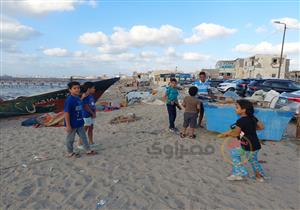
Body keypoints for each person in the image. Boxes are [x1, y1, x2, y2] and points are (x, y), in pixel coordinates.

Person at [219, 99, 266, 182]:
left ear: (244, 110)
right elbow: (261, 127)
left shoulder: (240, 121)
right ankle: (259, 177)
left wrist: (226, 134)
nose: (235, 109)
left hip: (247, 145)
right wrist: (250, 129)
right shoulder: (253, 118)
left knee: (234, 154)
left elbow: (236, 133)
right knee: (253, 160)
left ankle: (239, 173)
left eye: (237, 107)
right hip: (255, 144)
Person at [64, 81, 96, 157]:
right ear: (70, 90)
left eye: (78, 88)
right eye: (74, 88)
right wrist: (68, 125)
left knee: (83, 137)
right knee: (70, 139)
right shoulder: (69, 100)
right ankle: (70, 152)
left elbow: (83, 105)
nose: (77, 90)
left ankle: (88, 150)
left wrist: (92, 112)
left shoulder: (78, 98)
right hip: (72, 124)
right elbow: (66, 113)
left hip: (80, 122)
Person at [78, 82, 96, 148]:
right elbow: (85, 106)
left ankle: (91, 142)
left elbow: (93, 105)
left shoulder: (91, 95)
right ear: (89, 89)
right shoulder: (84, 96)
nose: (94, 89)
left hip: (92, 114)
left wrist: (94, 113)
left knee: (91, 128)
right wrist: (92, 113)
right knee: (85, 129)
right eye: (93, 88)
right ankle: (80, 143)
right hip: (86, 114)